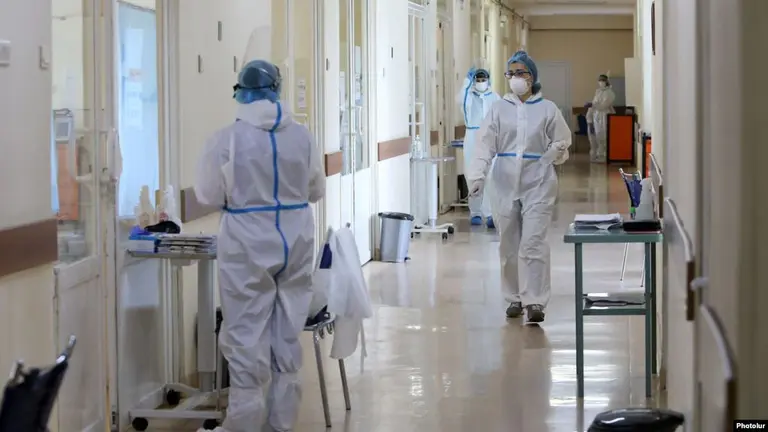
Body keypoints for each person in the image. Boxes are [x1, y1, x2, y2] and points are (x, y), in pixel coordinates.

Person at [194, 59, 326, 432]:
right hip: (296, 238)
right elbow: (316, 189)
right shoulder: (302, 136)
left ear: (241, 93)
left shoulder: (226, 140)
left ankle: (243, 425)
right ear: (277, 90)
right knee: (288, 331)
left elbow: (207, 194)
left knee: (245, 334)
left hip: (246, 243)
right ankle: (280, 425)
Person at [467, 51, 571, 323]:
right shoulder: (498, 109)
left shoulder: (548, 108)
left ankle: (535, 301)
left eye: (520, 72)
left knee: (534, 242)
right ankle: (514, 297)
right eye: (510, 73)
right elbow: (484, 145)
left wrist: (555, 152)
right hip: (504, 182)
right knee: (509, 243)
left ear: (532, 77)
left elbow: (563, 141)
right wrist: (477, 176)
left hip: (539, 182)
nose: (515, 78)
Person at [457, 67, 501, 228]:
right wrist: (466, 83)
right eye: (478, 80)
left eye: (483, 80)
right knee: (472, 175)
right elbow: (460, 101)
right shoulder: (468, 96)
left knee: (490, 176)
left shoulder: (495, 97)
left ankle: (490, 213)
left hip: (490, 138)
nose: (481, 83)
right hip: (472, 138)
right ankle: (475, 211)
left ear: (489, 81)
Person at [586, 74, 616, 162]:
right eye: (599, 80)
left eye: (602, 80)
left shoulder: (610, 93)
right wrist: (589, 117)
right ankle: (599, 155)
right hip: (597, 116)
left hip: (605, 115)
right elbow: (595, 103)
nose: (601, 82)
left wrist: (593, 105)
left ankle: (604, 156)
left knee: (604, 135)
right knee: (598, 136)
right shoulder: (598, 92)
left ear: (606, 81)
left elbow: (603, 105)